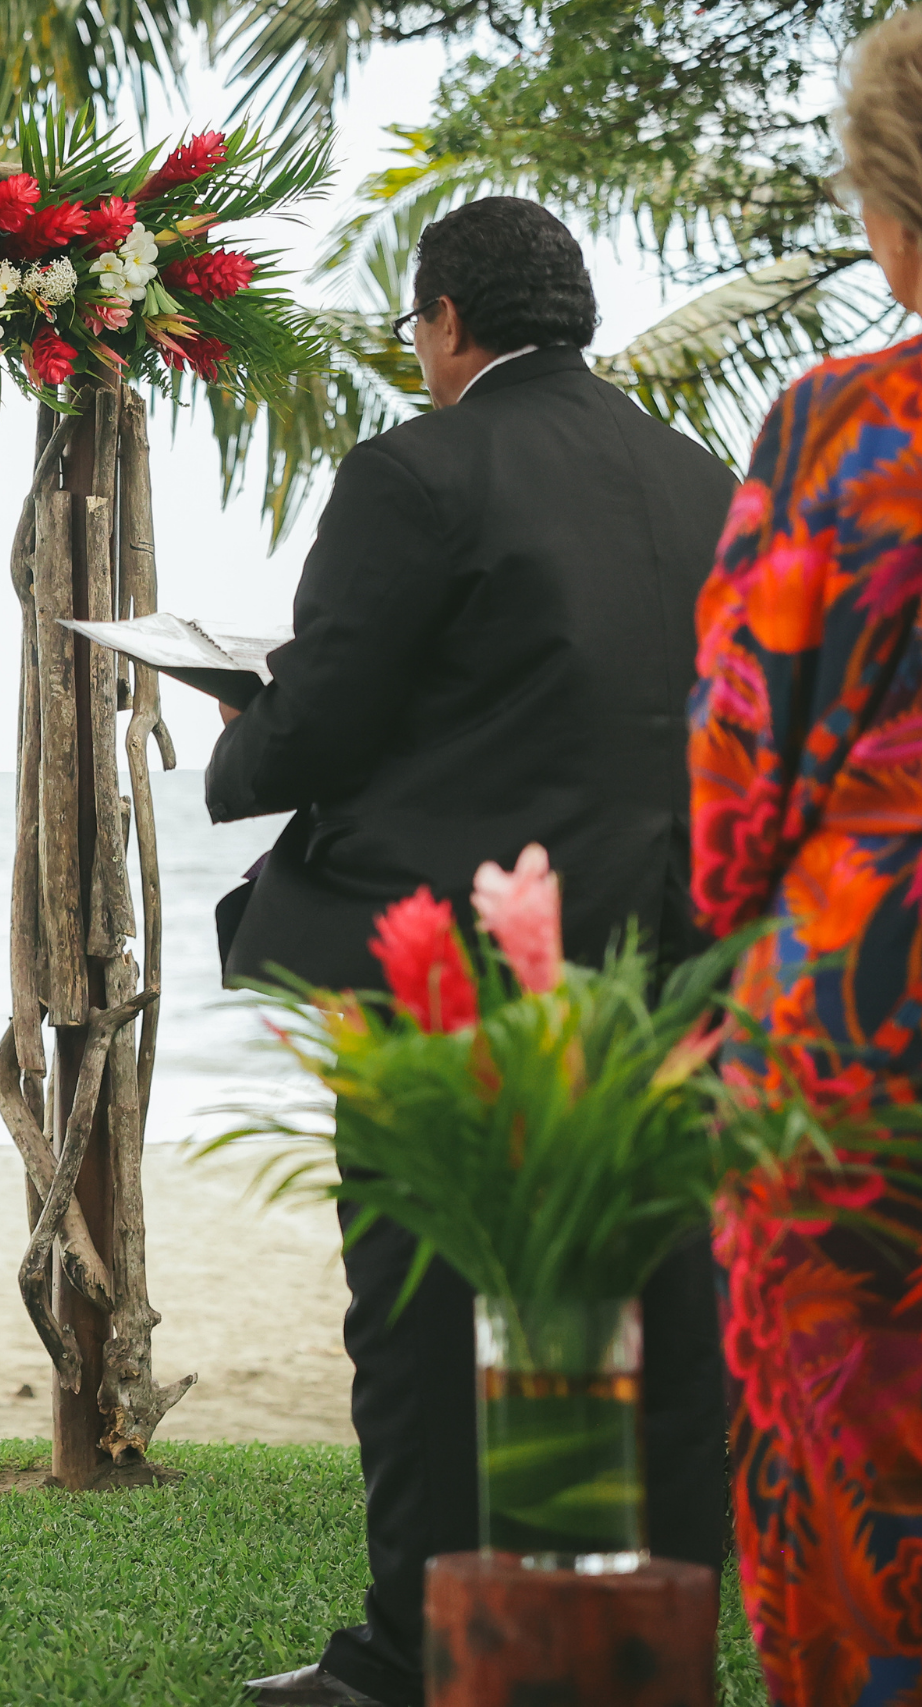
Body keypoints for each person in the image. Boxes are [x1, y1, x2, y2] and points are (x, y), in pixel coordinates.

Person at [210, 198, 739, 1707]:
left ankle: (414, 1653)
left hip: (459, 969)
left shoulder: (415, 470)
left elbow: (326, 718)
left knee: (424, 1311)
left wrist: (247, 727)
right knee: (663, 1303)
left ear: (443, 319)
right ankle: (652, 1635)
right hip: (662, 971)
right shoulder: (703, 480)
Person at [687, 13, 922, 1699]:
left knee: (847, 1486)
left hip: (854, 1032)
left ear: (890, 207)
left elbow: (737, 782)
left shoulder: (842, 427)